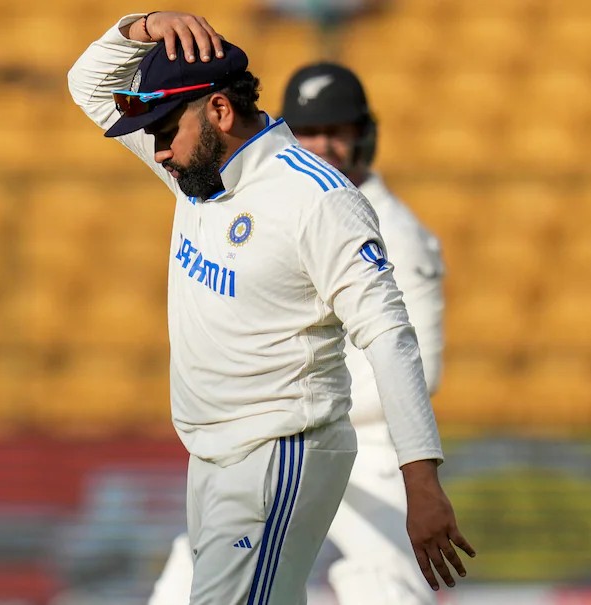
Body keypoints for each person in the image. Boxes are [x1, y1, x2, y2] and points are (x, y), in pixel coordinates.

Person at [68, 12, 474, 604]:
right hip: (211, 455)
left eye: (166, 131)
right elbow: (88, 86)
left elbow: (389, 334)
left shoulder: (316, 199)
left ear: (219, 111)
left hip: (279, 451)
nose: (158, 151)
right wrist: (144, 26)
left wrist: (421, 477)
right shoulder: (195, 172)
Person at [149, 62, 446, 605]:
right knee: (193, 580)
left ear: (364, 137)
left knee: (389, 589)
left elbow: (410, 357)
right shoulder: (254, 190)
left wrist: (296, 397)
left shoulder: (396, 231)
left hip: (360, 443)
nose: (322, 145)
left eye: (337, 132)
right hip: (269, 437)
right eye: (309, 132)